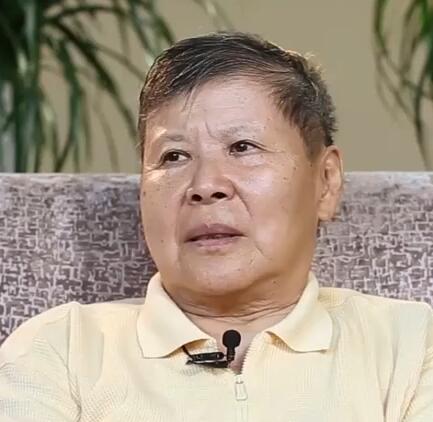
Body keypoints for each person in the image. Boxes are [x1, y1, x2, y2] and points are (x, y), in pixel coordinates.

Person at [0, 31, 432, 422]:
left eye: (242, 147)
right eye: (173, 156)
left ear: (326, 181)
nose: (205, 186)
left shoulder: (411, 347)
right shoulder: (62, 348)